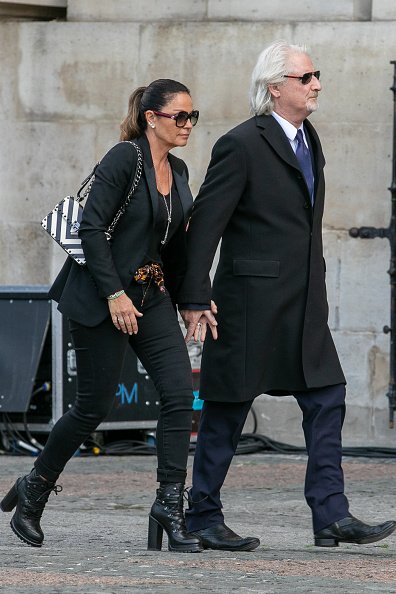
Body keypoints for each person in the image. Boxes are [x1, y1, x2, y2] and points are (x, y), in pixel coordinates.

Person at [179, 41, 396, 551]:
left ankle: (331, 515)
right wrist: (194, 295)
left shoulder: (309, 138)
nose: (317, 83)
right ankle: (201, 516)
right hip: (250, 304)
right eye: (306, 77)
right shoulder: (241, 143)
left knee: (327, 397)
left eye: (316, 75)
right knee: (227, 408)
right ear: (275, 88)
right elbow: (206, 224)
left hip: (303, 305)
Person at [1, 79, 203, 553]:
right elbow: (91, 228)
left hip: (150, 297)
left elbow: (175, 249)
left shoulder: (179, 170)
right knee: (92, 407)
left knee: (178, 394)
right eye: (180, 116)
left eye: (193, 116)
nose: (188, 125)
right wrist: (114, 294)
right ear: (152, 118)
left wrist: (193, 298)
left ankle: (170, 505)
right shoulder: (124, 158)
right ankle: (35, 489)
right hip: (100, 297)